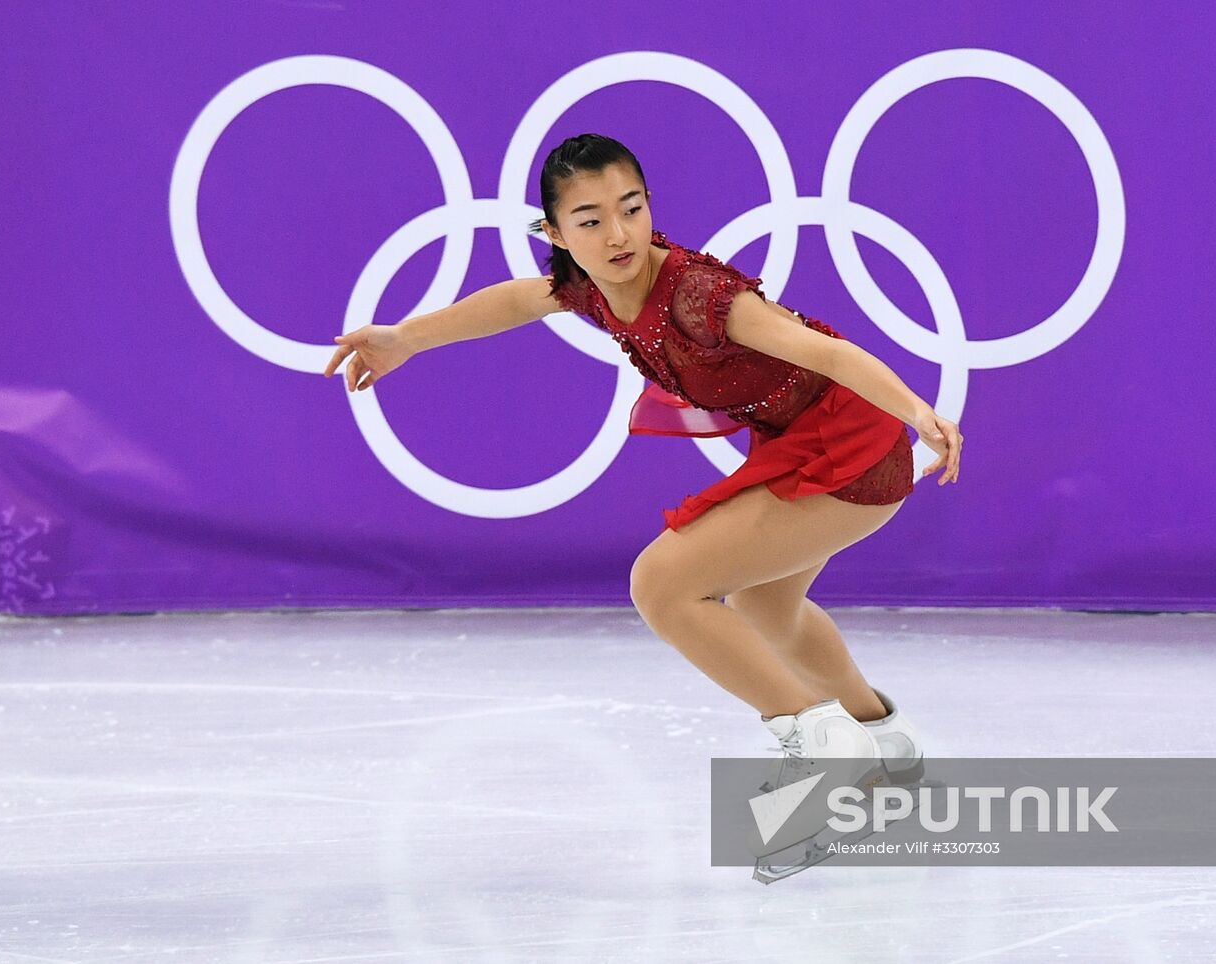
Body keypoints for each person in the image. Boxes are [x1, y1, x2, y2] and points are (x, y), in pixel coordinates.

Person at [322, 134, 963, 800]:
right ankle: (884, 736)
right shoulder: (588, 288)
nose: (618, 234)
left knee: (662, 583)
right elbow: (516, 300)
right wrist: (405, 338)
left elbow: (825, 353)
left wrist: (919, 412)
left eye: (631, 209)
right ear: (558, 233)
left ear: (650, 207)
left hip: (852, 442)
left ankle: (817, 737)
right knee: (766, 606)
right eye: (591, 221)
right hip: (802, 437)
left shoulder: (699, 296)